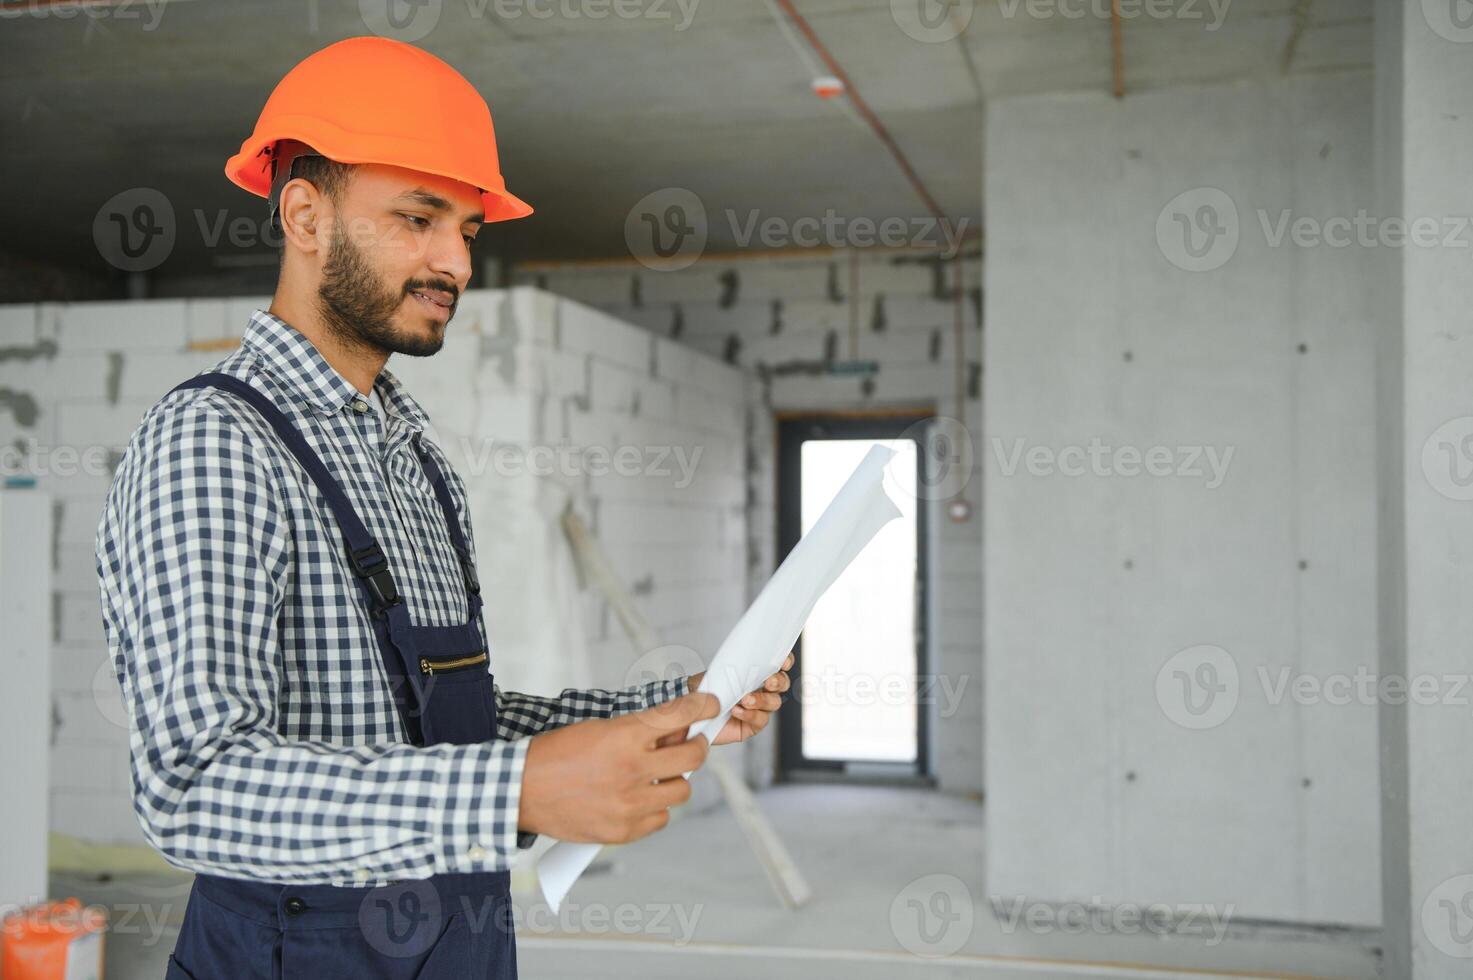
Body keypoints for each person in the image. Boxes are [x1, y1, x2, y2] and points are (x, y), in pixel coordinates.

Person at [94, 36, 791, 979]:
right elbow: (194, 785)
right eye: (418, 218)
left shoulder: (414, 455)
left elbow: (442, 721)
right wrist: (517, 789)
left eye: (466, 228)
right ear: (305, 214)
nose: (454, 263)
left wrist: (667, 708)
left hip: (458, 944)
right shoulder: (214, 442)